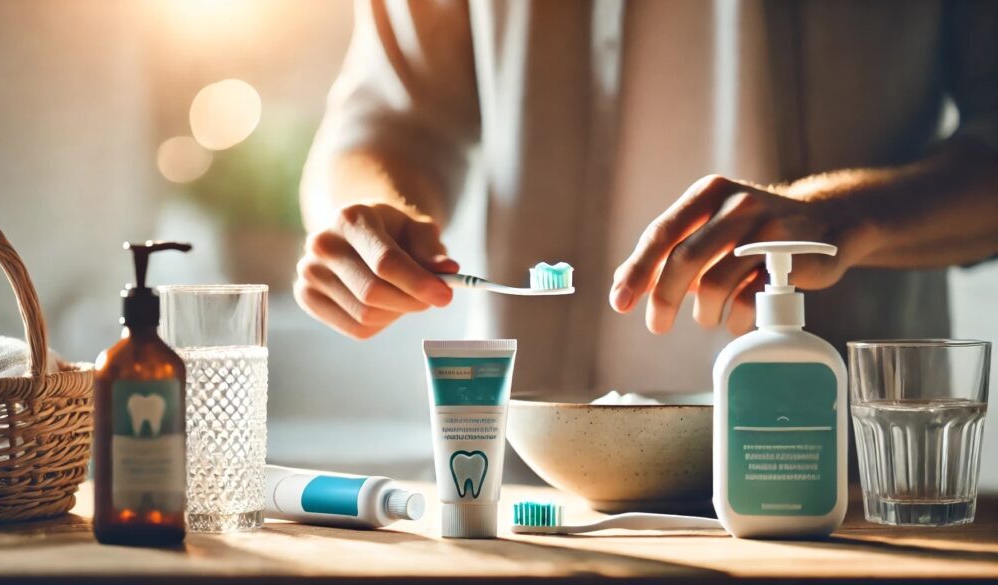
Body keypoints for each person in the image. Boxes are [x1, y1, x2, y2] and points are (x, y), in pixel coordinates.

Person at [295, 0, 998, 402]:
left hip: (848, 481)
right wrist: (361, 220)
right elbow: (391, 115)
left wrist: (846, 215)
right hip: (539, 491)